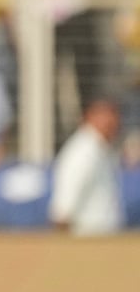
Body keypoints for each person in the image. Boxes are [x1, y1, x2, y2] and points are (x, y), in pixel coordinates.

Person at [49, 97, 125, 236]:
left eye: (114, 116)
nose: (112, 122)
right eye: (105, 116)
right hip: (86, 241)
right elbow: (63, 208)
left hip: (104, 241)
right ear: (89, 117)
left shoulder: (101, 148)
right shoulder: (82, 152)